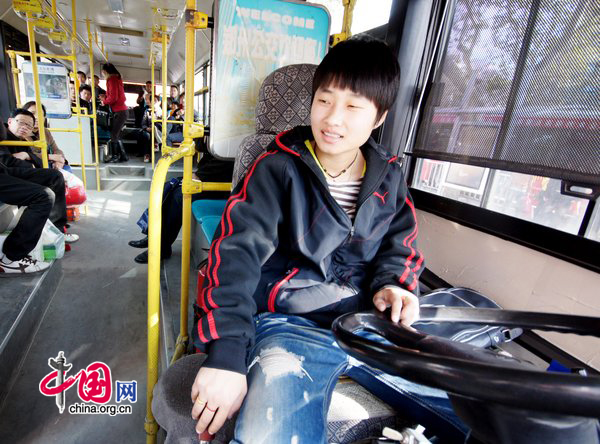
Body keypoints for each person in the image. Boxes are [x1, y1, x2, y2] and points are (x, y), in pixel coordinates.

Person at [179, 38, 468, 443]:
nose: (333, 119)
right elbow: (235, 256)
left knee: (484, 414)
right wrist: (226, 355)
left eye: (353, 107)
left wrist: (393, 285)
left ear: (379, 116)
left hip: (369, 324)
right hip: (288, 323)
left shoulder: (389, 177)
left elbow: (399, 247)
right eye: (324, 101)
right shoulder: (277, 169)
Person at [128, 140, 234, 263]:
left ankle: (162, 247)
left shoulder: (235, 135)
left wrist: (200, 175)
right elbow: (200, 147)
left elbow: (228, 162)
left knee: (178, 196)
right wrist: (205, 134)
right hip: (208, 175)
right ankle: (154, 237)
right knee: (168, 187)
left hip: (221, 183)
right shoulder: (217, 129)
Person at [1, 111, 77, 250]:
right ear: (10, 121)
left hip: (12, 172)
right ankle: (14, 252)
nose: (24, 127)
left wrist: (27, 158)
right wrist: (29, 164)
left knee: (55, 176)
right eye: (21, 122)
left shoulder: (23, 139)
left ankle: (56, 229)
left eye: (29, 125)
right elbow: (6, 161)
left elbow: (29, 156)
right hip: (6, 173)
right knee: (44, 195)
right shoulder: (4, 136)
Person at [22, 101, 71, 172]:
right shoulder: (21, 132)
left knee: (66, 169)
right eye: (32, 113)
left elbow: (56, 149)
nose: (36, 117)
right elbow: (29, 154)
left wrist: (59, 161)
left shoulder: (45, 131)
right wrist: (51, 157)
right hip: (32, 166)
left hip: (49, 163)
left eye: (40, 114)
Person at [100, 63, 128, 163]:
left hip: (120, 111)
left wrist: (105, 101)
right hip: (122, 111)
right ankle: (123, 156)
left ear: (106, 72)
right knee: (116, 134)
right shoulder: (117, 79)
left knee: (114, 134)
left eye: (103, 72)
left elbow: (113, 98)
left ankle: (115, 156)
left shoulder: (111, 80)